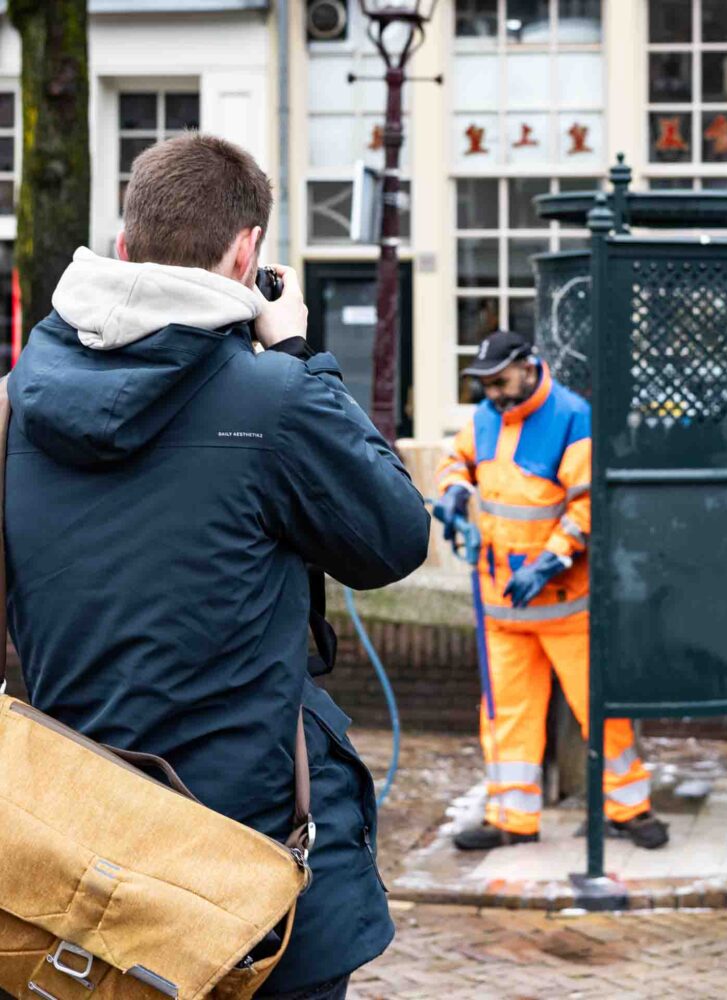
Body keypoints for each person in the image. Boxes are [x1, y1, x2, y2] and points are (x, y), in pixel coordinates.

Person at [4, 133, 429, 999]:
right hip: (239, 873)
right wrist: (304, 356)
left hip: (65, 859)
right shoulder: (275, 398)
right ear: (248, 254)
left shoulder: (15, 405)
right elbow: (395, 539)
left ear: (124, 247)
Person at [436, 330, 668, 852]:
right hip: (500, 605)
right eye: (485, 385)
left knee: (600, 709)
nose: (492, 393)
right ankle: (511, 817)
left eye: (499, 381)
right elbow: (458, 461)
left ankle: (630, 808)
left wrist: (547, 563)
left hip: (564, 604)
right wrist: (451, 492)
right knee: (505, 714)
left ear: (527, 365)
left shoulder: (571, 417)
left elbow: (586, 506)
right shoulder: (484, 419)